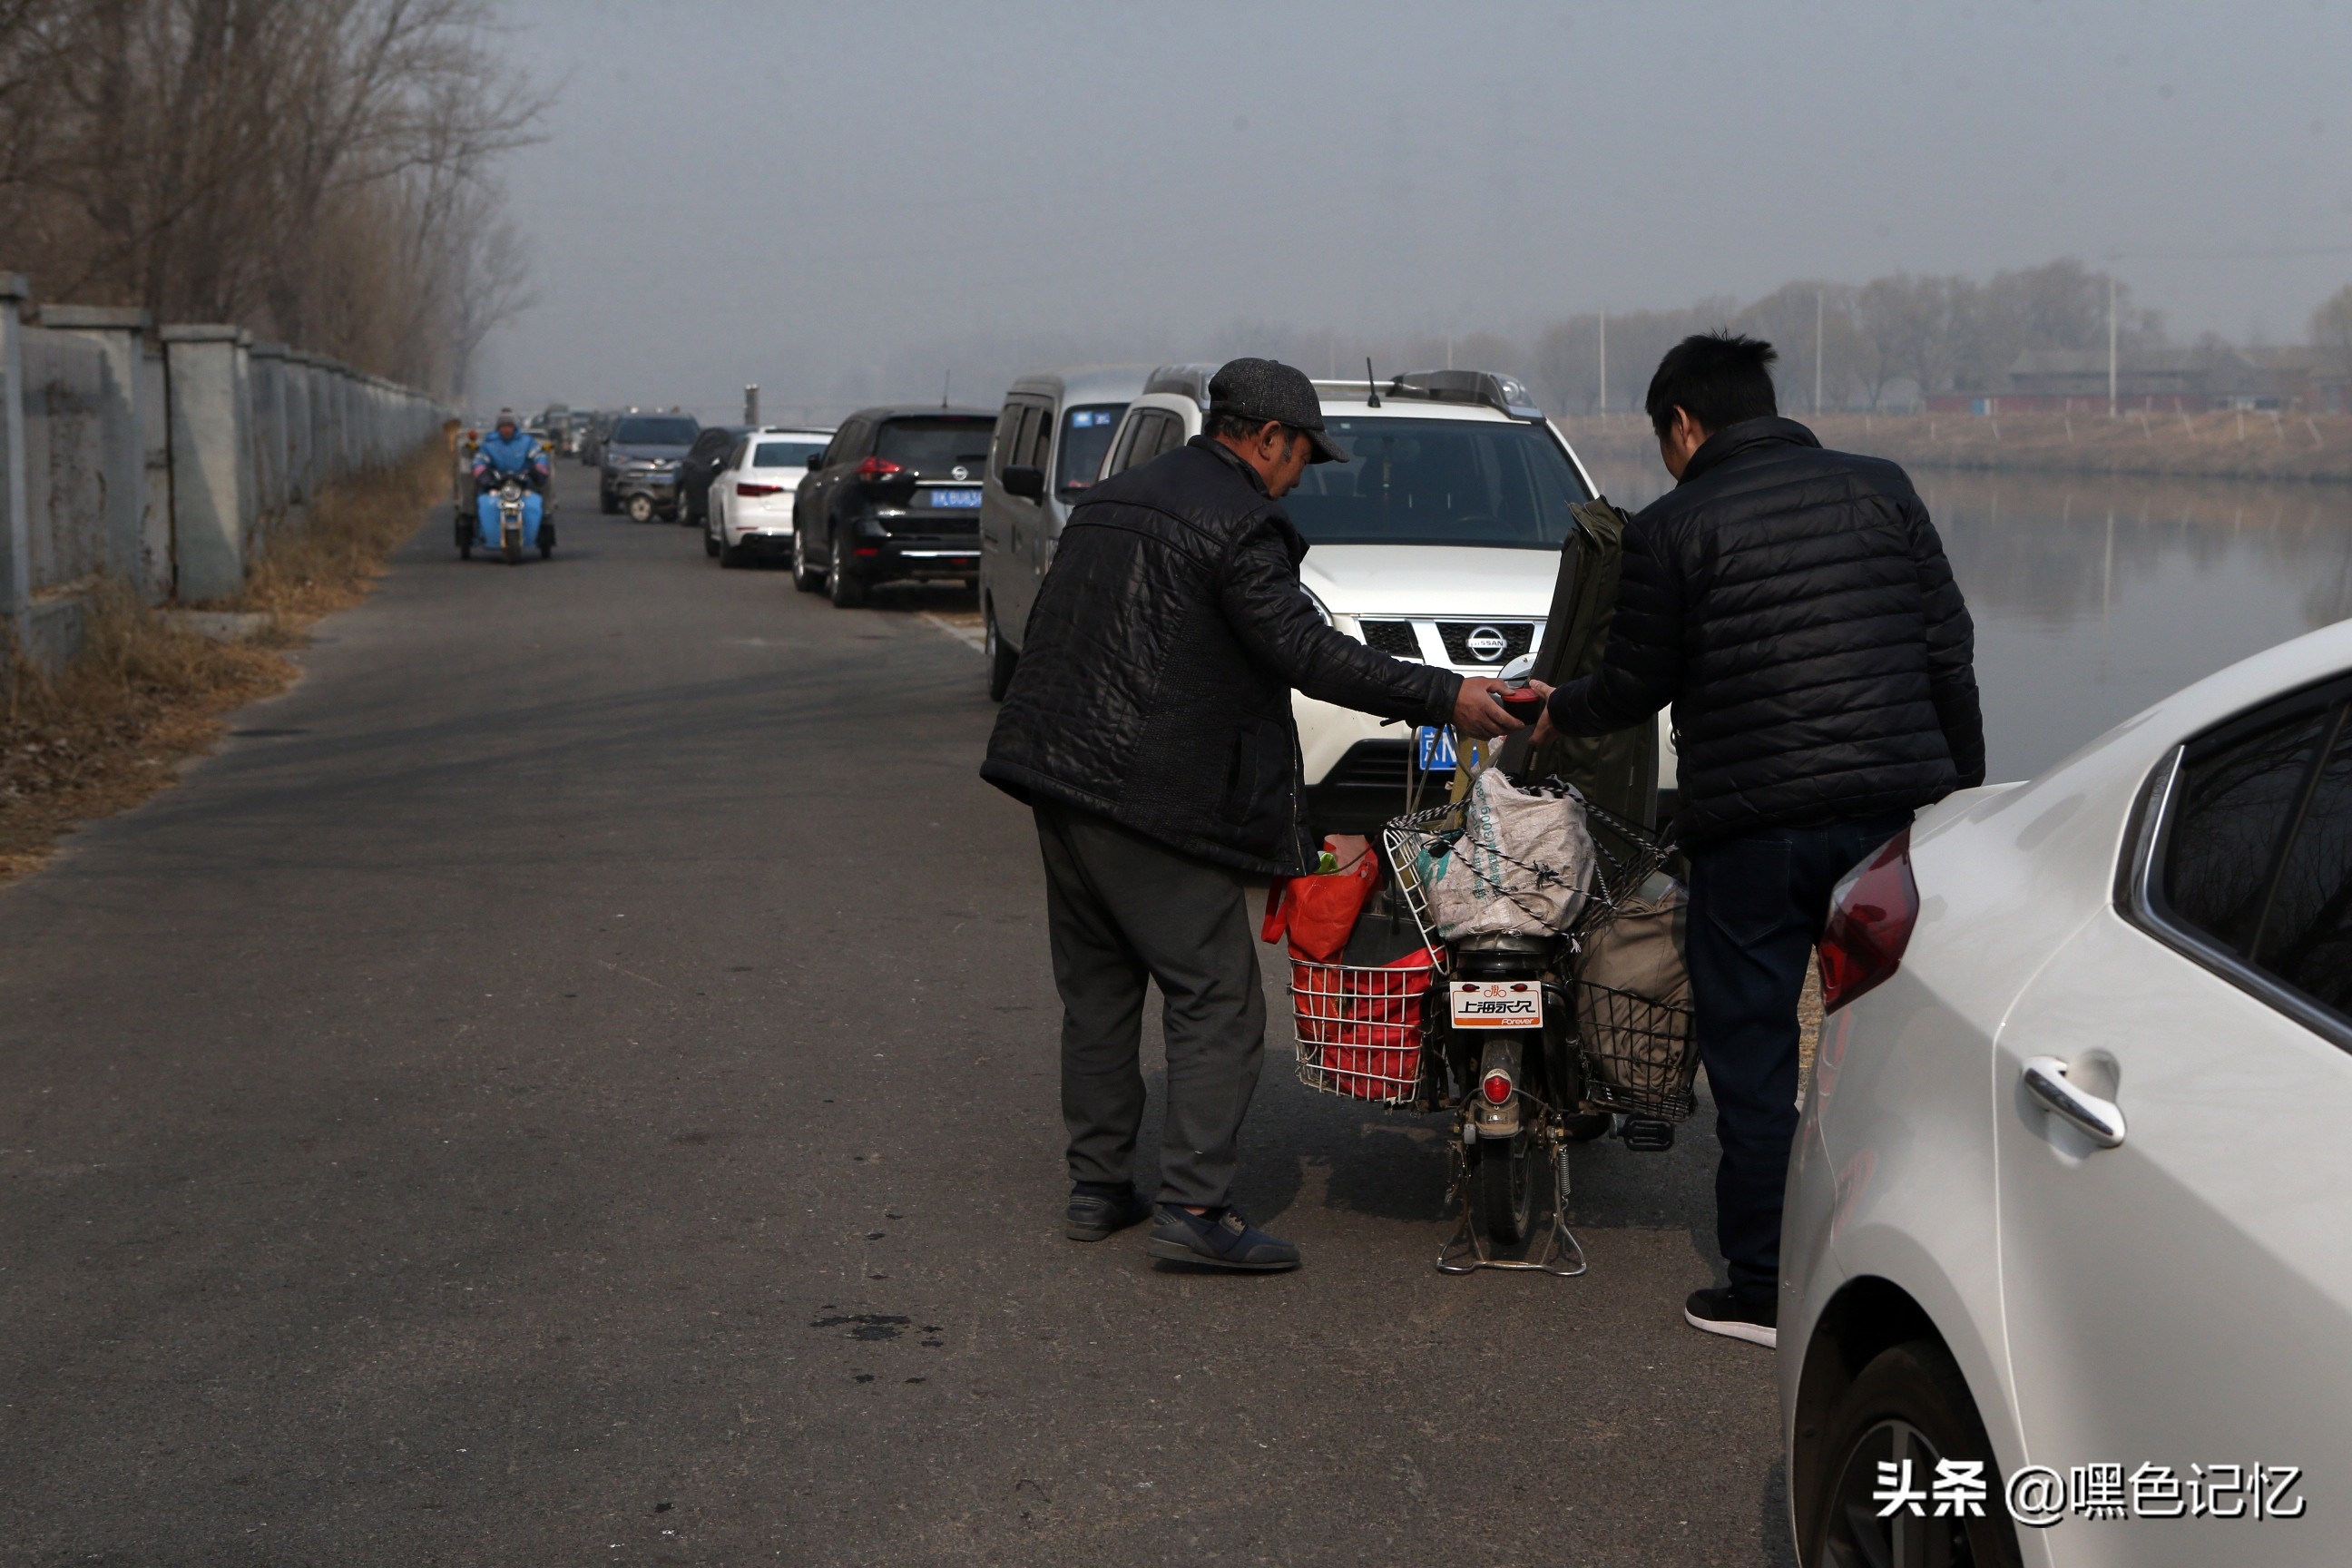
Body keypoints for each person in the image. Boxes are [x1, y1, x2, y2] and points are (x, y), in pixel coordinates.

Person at [983, 358, 1527, 1271]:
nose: (1300, 477)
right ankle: (1196, 1205)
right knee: (1219, 1000)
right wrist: (1451, 697)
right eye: (1302, 456)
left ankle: (1098, 1185)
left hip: (1058, 777)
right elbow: (1310, 655)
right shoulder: (1242, 523)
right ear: (1266, 438)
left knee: (1102, 992)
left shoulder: (1113, 499)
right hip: (1149, 795)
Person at [1533, 333, 1984, 1347]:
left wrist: (1563, 707)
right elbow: (1948, 651)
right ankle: (1906, 1272)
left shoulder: (1672, 527)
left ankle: (1767, 1289)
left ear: (1684, 425)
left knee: (1751, 1053)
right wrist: (1963, 797)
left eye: (1664, 441)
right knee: (1893, 1050)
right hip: (1891, 826)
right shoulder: (1885, 490)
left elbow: (1637, 685)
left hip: (1753, 832)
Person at [471, 408, 550, 550]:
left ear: (514, 427)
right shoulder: (489, 444)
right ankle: (486, 535)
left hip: (523, 484)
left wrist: (538, 470)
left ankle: (533, 535)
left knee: (534, 504)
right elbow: (479, 461)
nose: (506, 429)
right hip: (495, 485)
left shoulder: (527, 442)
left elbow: (539, 457)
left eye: (509, 426)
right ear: (499, 427)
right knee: (485, 504)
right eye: (503, 426)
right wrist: (484, 476)